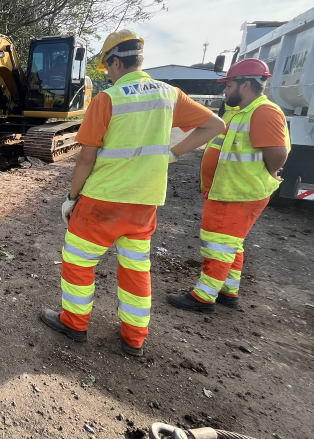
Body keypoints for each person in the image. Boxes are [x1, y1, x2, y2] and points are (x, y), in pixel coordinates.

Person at [39, 30, 225, 356]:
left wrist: (71, 198)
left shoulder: (108, 99)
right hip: (144, 202)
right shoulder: (170, 95)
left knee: (79, 262)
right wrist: (172, 153)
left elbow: (86, 157)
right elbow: (214, 126)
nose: (108, 74)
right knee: (136, 268)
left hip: (102, 200)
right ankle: (134, 338)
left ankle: (75, 322)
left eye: (107, 68)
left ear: (114, 60)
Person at [167, 59, 289, 313]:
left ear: (245, 85)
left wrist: (266, 172)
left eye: (229, 85)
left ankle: (203, 296)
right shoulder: (238, 111)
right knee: (231, 243)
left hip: (238, 192)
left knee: (218, 243)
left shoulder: (264, 112)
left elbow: (277, 153)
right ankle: (227, 291)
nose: (225, 90)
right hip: (228, 189)